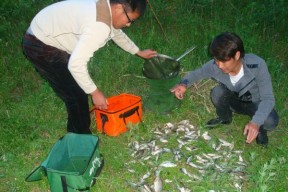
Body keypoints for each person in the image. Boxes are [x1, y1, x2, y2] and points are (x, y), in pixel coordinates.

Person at [22, 0, 157, 134]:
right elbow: (76, 65)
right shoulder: (99, 26)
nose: (128, 25)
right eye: (130, 20)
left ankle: (80, 122)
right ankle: (80, 136)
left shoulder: (105, 6)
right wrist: (95, 93)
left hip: (45, 33)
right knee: (75, 93)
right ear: (119, 8)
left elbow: (117, 33)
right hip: (39, 45)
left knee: (78, 85)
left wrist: (138, 52)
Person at [170, 32, 279, 146]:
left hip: (254, 103)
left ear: (236, 56)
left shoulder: (257, 65)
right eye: (216, 60)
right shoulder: (215, 65)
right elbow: (198, 73)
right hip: (233, 101)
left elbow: (268, 98)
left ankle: (259, 129)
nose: (219, 65)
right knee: (217, 93)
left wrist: (256, 122)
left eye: (223, 61)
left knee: (270, 122)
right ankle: (225, 118)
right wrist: (184, 83)